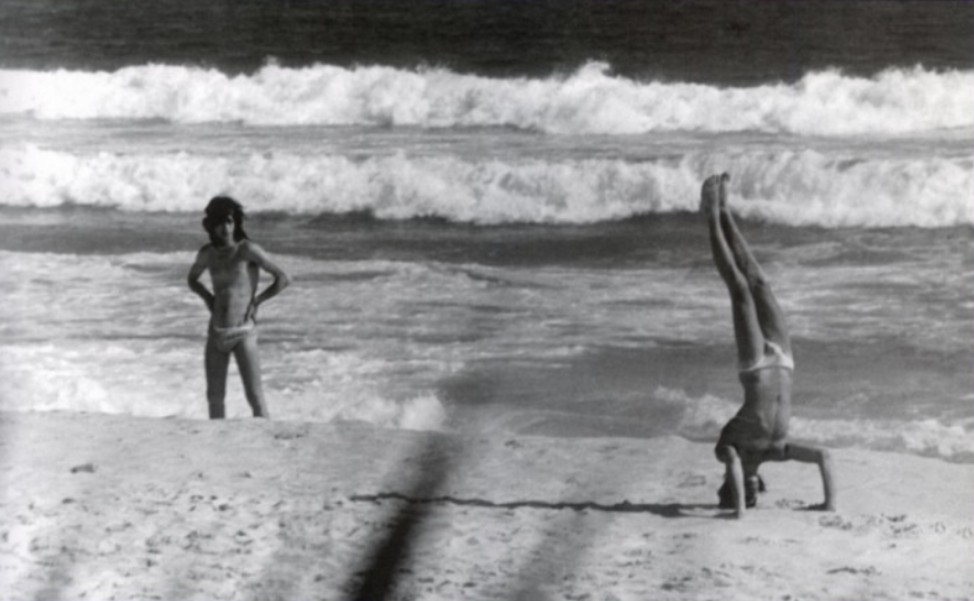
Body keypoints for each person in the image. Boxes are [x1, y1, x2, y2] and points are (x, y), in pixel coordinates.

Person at [702, 173, 835, 517]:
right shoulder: (774, 453)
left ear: (730, 487)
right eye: (751, 492)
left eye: (741, 491)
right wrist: (828, 504)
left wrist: (740, 511)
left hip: (757, 369)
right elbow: (824, 456)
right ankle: (725, 211)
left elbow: (732, 465)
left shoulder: (727, 451)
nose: (748, 487)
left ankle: (714, 215)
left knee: (741, 289)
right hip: (785, 363)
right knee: (760, 283)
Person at [187, 196, 290, 419]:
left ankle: (267, 444)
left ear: (236, 223)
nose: (225, 228)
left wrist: (257, 301)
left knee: (254, 395)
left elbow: (282, 278)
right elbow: (192, 279)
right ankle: (217, 446)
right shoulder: (207, 253)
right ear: (211, 226)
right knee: (214, 396)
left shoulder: (247, 250)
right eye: (220, 223)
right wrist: (207, 298)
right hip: (216, 333)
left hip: (243, 332)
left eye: (230, 222)